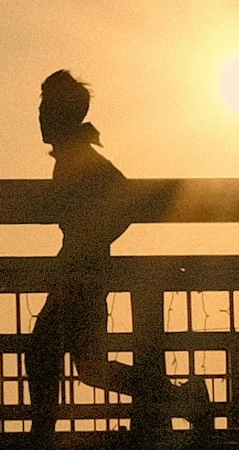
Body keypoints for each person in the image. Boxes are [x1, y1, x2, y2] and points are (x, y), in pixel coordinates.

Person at [25, 70, 212, 430]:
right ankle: (184, 398)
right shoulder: (74, 155)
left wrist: (92, 238)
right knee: (90, 366)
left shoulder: (79, 158)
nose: (41, 115)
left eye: (47, 107)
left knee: (45, 353)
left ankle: (42, 436)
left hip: (83, 269)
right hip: (84, 267)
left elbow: (123, 199)